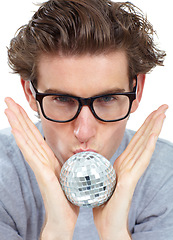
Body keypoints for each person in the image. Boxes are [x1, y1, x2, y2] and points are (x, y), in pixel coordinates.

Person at [1, 0, 173, 239]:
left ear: (137, 90)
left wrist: (114, 233)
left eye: (107, 99)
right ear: (31, 93)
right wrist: (57, 231)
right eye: (62, 99)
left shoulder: (167, 175)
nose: (84, 132)